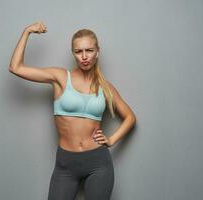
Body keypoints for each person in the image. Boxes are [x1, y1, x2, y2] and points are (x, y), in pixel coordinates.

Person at [8, 21, 136, 200]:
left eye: (89, 50)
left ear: (97, 52)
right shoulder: (60, 77)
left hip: (98, 163)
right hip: (66, 164)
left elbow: (130, 117)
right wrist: (26, 31)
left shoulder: (105, 87)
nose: (84, 56)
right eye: (78, 51)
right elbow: (16, 68)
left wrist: (112, 139)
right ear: (73, 54)